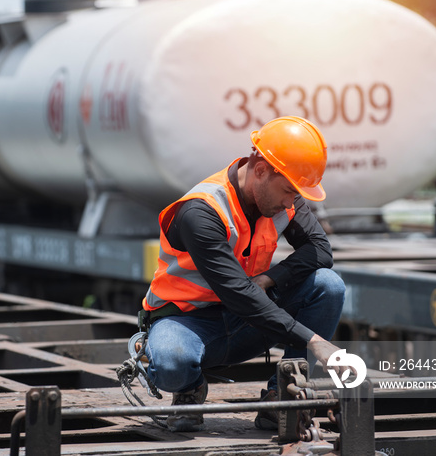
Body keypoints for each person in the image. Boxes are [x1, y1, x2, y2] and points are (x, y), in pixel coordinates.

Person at [141, 116, 346, 432]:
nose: (292, 202)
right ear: (261, 170)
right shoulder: (202, 211)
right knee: (171, 363)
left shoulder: (282, 200)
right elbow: (237, 293)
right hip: (188, 322)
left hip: (245, 322)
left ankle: (281, 398)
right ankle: (190, 388)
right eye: (289, 191)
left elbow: (320, 251)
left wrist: (268, 279)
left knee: (328, 286)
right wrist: (313, 340)